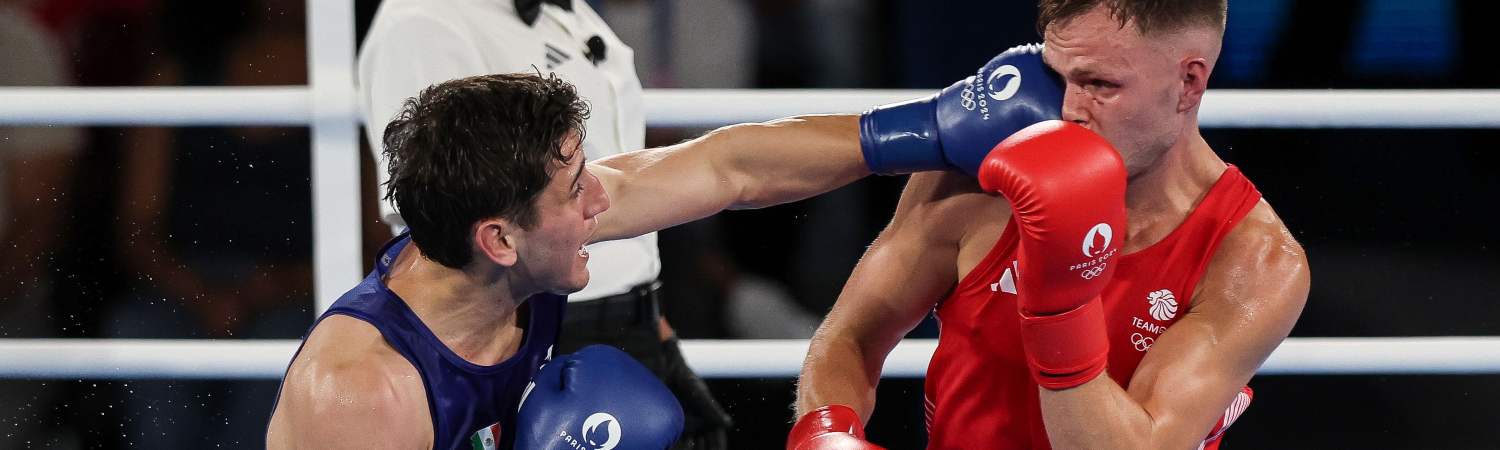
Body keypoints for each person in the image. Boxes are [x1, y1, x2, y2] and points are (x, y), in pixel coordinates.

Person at [791, 1, 1310, 449]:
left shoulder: (1252, 262)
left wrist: (1061, 304)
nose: (1066, 110)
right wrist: (825, 430)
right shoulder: (979, 182)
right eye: (1057, 76)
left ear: (1189, 82)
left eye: (1099, 84)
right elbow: (852, 335)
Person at [266, 72, 877, 450]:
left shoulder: (514, 240)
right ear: (499, 241)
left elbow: (729, 166)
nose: (602, 200)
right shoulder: (361, 394)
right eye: (576, 187)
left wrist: (922, 132)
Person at [356, 1, 733, 445]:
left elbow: (601, 177)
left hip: (630, 323)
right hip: (543, 332)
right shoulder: (425, 23)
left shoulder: (569, 12)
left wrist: (654, 325)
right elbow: (444, 217)